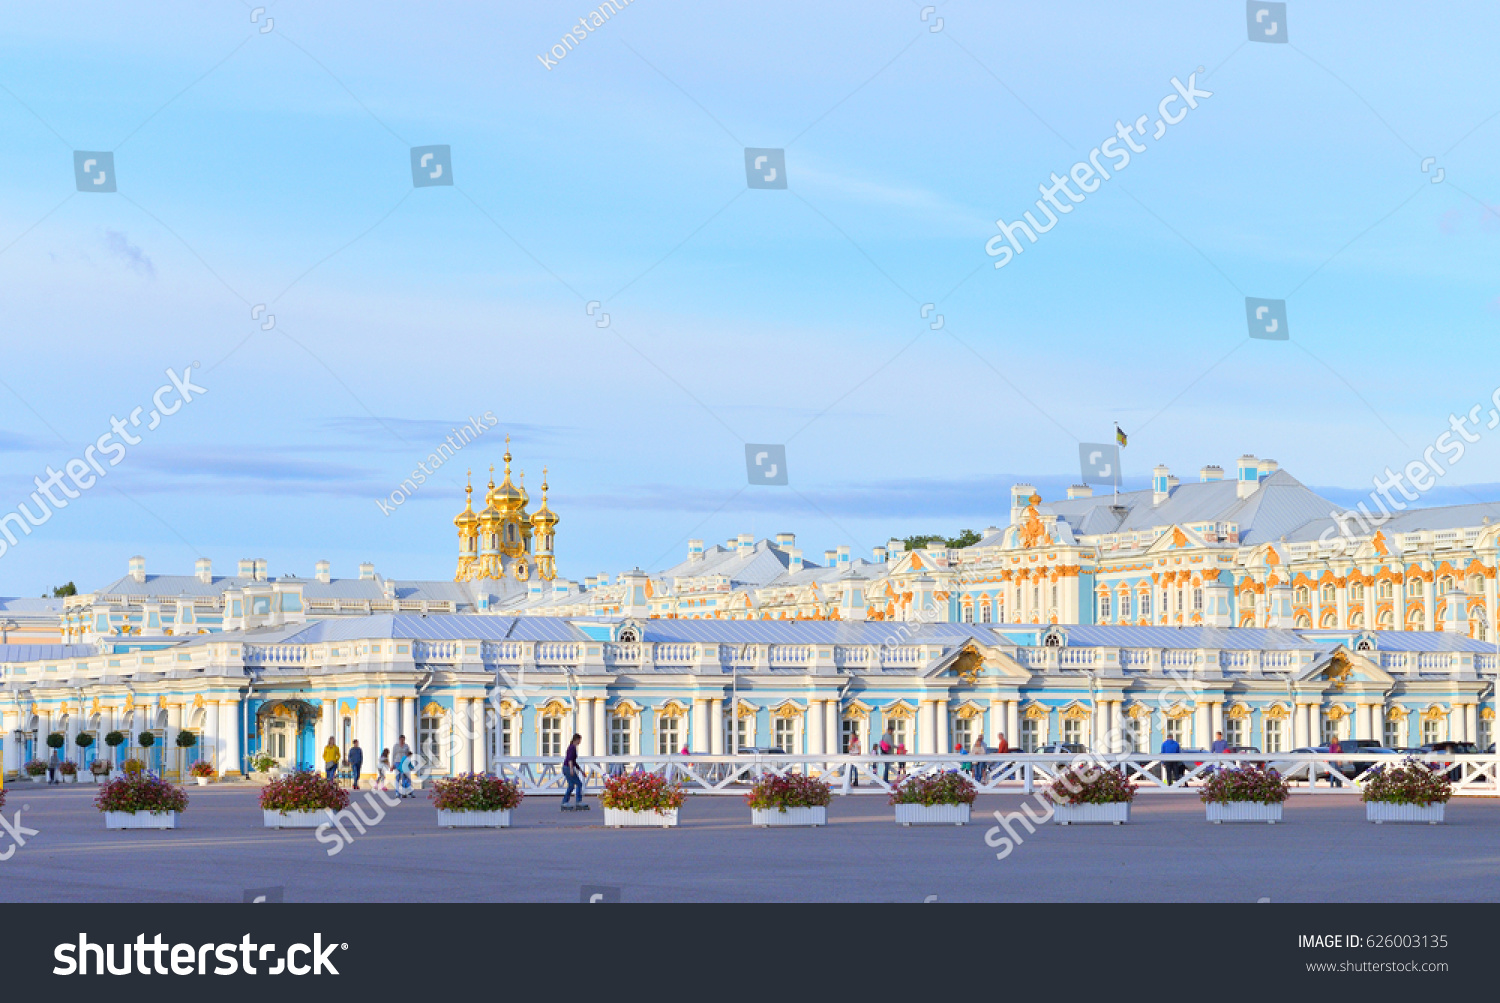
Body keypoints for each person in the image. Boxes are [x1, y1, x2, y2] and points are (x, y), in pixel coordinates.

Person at [561, 733, 588, 810]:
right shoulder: (572, 748)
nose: (580, 742)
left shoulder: (572, 747)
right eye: (580, 740)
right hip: (568, 768)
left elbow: (574, 761)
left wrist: (581, 771)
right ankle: (578, 801)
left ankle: (564, 802)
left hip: (566, 768)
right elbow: (570, 759)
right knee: (579, 783)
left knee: (571, 785)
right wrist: (571, 769)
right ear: (577, 739)